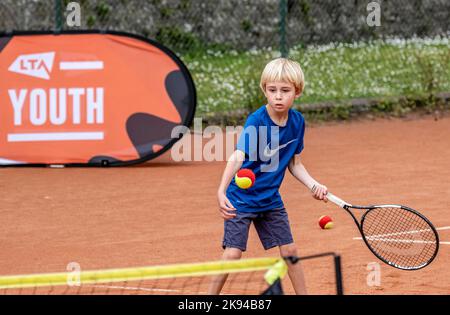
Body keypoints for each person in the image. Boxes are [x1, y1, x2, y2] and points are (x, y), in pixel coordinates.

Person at [207, 58, 328, 295]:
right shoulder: (257, 121)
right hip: (241, 199)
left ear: (297, 92)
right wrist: (221, 191)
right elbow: (238, 155)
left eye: (285, 91)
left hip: (270, 199)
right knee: (233, 254)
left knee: (290, 251)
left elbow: (294, 162)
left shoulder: (297, 122)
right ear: (265, 90)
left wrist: (313, 185)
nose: (278, 96)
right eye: (272, 90)